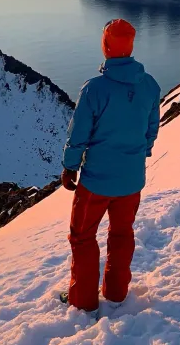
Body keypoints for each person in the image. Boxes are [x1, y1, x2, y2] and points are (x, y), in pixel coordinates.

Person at [59, 18, 161, 312]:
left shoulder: (95, 89)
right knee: (122, 233)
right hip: (131, 181)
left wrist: (70, 167)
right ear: (130, 46)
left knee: (82, 237)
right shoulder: (149, 85)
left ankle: (83, 301)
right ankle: (116, 294)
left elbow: (78, 135)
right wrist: (137, 154)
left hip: (97, 181)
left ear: (105, 46)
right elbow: (151, 129)